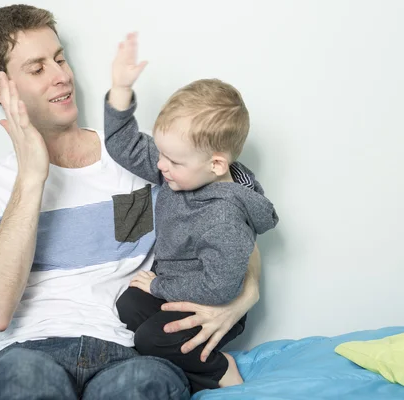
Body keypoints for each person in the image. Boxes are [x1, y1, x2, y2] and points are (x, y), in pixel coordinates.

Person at [0, 4, 263, 399]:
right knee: (25, 383)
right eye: (37, 68)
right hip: (27, 354)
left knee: (140, 386)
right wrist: (32, 177)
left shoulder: (144, 160)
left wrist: (245, 295)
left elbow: (231, 207)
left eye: (60, 58)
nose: (62, 76)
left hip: (131, 353)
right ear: (1, 89)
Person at [104, 33, 279, 394]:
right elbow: (124, 145)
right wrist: (120, 92)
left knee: (154, 339)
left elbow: (219, 287)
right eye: (162, 154)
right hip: (174, 286)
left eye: (173, 161)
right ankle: (177, 361)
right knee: (129, 307)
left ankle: (219, 370)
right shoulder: (183, 169)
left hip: (215, 301)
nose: (161, 166)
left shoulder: (225, 216)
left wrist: (159, 285)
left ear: (216, 164)